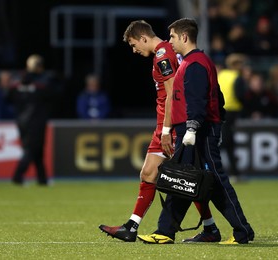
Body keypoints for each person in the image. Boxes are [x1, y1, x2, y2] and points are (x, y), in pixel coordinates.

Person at [99, 20, 220, 243]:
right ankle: (132, 226)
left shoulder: (163, 54)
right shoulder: (165, 51)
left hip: (171, 125)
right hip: (164, 124)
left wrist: (166, 130)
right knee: (151, 174)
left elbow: (173, 91)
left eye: (135, 45)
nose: (135, 51)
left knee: (185, 179)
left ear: (144, 38)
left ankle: (209, 228)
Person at [138, 18, 254, 245]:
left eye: (172, 36)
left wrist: (193, 127)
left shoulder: (195, 64)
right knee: (180, 179)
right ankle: (165, 231)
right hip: (194, 130)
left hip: (197, 132)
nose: (169, 41)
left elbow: (199, 100)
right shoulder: (195, 62)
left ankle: (243, 232)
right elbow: (218, 97)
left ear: (183, 37)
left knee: (215, 182)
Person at [7, 54, 57, 186]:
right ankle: (17, 176)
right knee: (31, 150)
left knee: (37, 150)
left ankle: (42, 179)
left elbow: (7, 97)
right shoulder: (42, 83)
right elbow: (53, 95)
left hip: (21, 121)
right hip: (36, 121)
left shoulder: (17, 82)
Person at [217, 53, 246, 181]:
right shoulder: (237, 77)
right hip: (231, 112)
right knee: (227, 143)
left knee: (227, 143)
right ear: (236, 65)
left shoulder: (221, 75)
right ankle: (219, 171)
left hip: (219, 111)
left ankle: (234, 172)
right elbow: (240, 96)